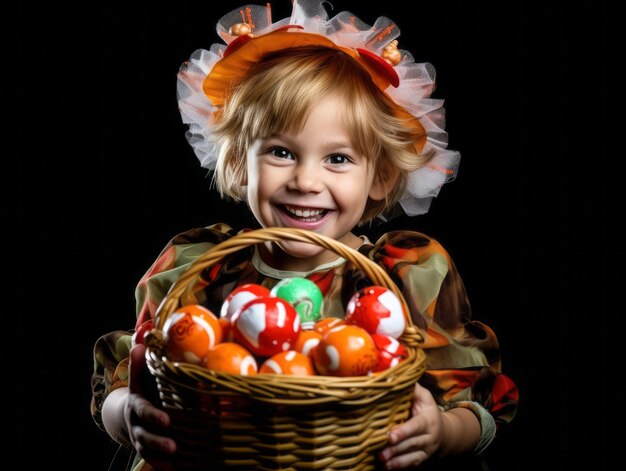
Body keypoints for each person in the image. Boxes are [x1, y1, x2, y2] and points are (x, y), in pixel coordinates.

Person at [90, 1, 519, 469]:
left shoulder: (402, 276)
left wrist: (443, 433)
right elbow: (124, 379)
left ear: (378, 175)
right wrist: (125, 415)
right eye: (280, 152)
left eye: (338, 158)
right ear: (239, 163)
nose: (306, 181)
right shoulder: (197, 268)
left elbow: (475, 402)